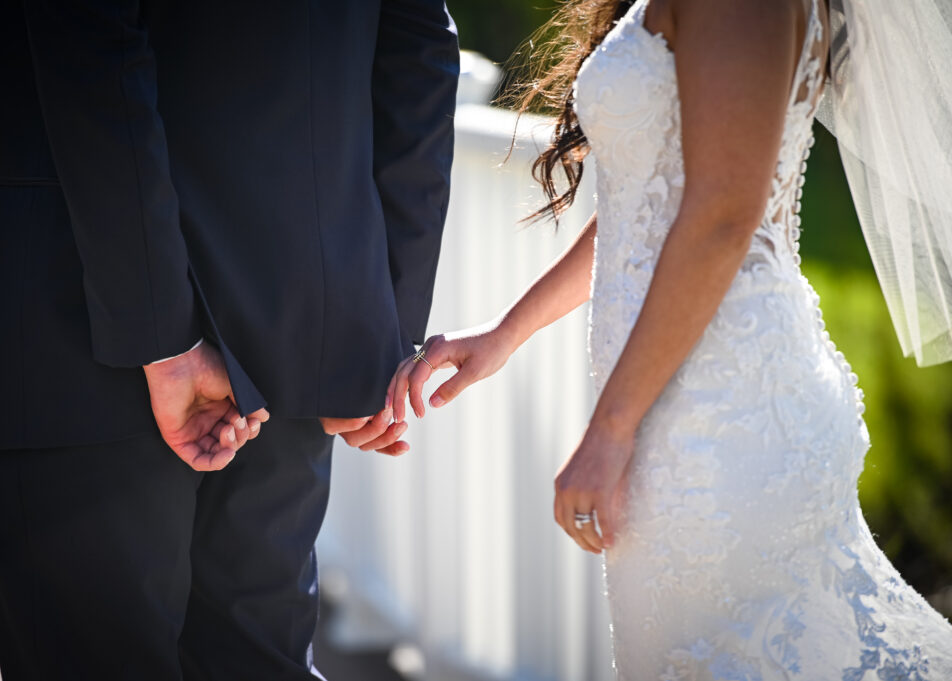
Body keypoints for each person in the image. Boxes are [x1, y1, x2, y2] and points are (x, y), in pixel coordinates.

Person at [388, 0, 952, 677]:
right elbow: (650, 199)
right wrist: (507, 333)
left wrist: (610, 429)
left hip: (722, 416)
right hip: (680, 406)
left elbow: (720, 217)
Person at [0, 1, 458, 678]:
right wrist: (376, 336)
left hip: (78, 319)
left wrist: (162, 336)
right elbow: (418, 46)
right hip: (295, 343)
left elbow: (89, 38)